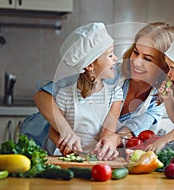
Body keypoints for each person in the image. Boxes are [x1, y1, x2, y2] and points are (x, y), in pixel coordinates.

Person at [29, 22, 174, 160]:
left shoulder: (157, 100)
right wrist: (66, 131)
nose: (136, 61)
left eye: (147, 59)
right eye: (136, 52)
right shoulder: (108, 71)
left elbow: (129, 131)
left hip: (85, 156)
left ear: (165, 67)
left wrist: (112, 140)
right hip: (43, 143)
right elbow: (43, 95)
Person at [44, 22, 123, 158]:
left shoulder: (115, 94)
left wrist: (101, 149)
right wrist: (65, 147)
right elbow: (53, 131)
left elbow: (108, 131)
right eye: (110, 55)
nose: (115, 58)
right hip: (69, 158)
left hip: (98, 158)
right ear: (91, 65)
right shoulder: (65, 94)